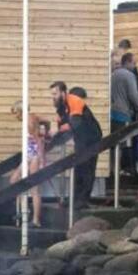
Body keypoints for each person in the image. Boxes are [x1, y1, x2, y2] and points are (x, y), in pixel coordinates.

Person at [50, 81, 103, 210]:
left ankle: (83, 200)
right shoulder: (61, 106)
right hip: (80, 138)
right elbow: (60, 122)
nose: (53, 97)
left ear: (63, 92)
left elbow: (75, 123)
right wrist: (51, 138)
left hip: (92, 137)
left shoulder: (75, 101)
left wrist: (58, 130)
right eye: (51, 94)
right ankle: (74, 199)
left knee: (87, 169)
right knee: (78, 167)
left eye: (55, 93)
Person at [9, 100, 44, 228]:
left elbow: (38, 140)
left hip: (33, 155)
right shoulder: (33, 117)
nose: (15, 117)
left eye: (16, 113)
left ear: (20, 111)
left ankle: (36, 220)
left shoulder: (29, 121)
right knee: (14, 180)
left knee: (34, 189)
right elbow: (45, 123)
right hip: (28, 154)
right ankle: (21, 210)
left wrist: (41, 160)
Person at [110, 52, 138, 176]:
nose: (135, 66)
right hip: (124, 113)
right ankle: (120, 170)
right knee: (123, 143)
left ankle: (112, 169)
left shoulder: (113, 75)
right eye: (134, 63)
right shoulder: (129, 75)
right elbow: (133, 95)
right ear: (127, 62)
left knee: (112, 143)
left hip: (112, 113)